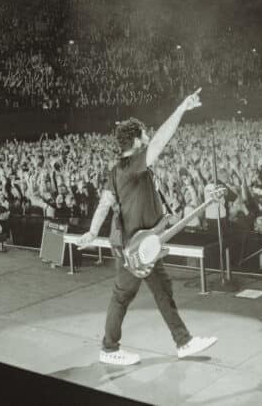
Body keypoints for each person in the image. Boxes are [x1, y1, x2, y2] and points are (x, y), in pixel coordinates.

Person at [77, 88, 216, 366]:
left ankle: (183, 341)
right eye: (144, 133)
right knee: (122, 295)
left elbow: (104, 203)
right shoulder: (134, 164)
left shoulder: (117, 170)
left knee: (162, 288)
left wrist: (93, 231)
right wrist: (181, 109)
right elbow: (163, 138)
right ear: (137, 140)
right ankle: (109, 347)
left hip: (144, 243)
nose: (148, 136)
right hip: (135, 248)